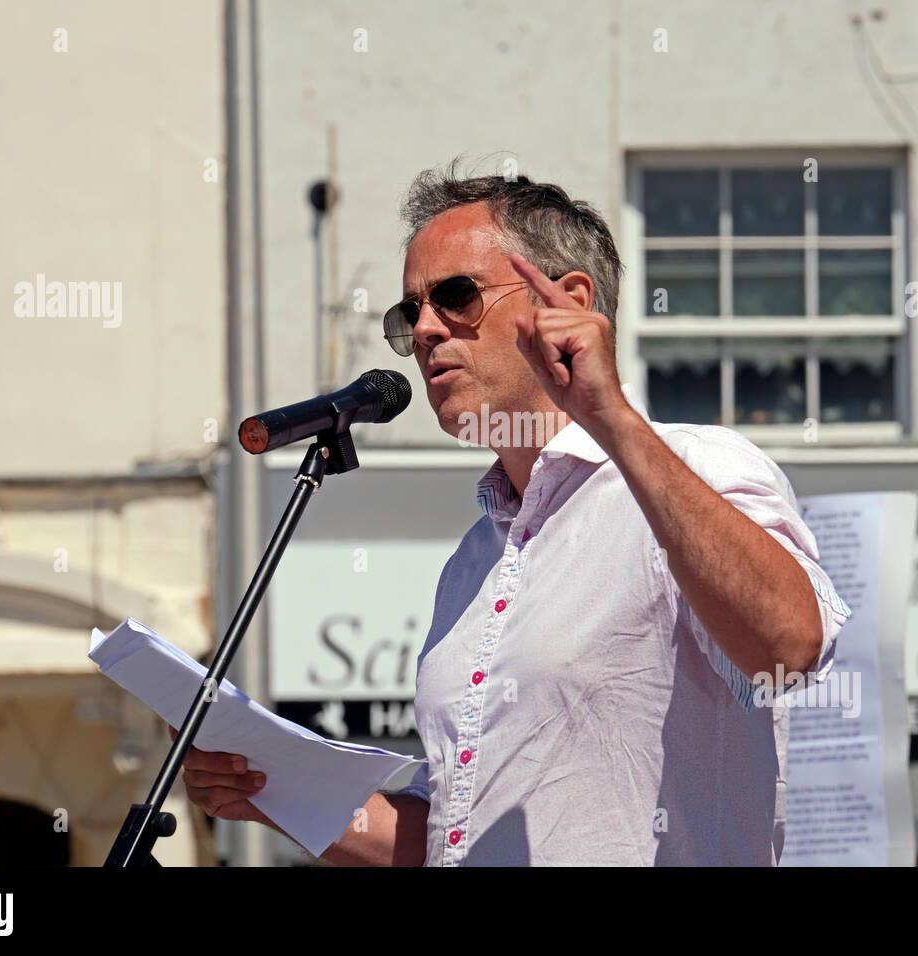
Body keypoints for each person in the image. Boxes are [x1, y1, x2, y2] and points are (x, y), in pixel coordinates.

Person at [179, 163, 851, 865]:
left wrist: (610, 414)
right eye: (411, 313)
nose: (428, 331)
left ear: (569, 303)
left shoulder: (698, 466)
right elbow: (452, 842)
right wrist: (272, 788)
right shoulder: (475, 560)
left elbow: (789, 647)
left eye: (456, 297)